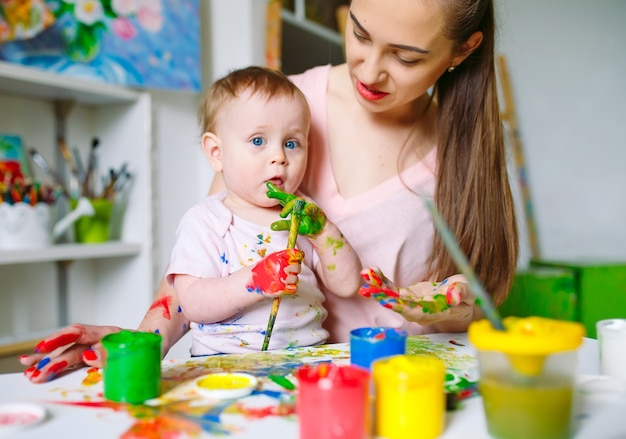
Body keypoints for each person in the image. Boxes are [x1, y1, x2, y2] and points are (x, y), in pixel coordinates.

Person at [21, 0, 518, 383]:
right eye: (360, 33)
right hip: (269, 391)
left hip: (400, 387)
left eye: (406, 56)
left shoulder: (466, 152)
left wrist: (450, 305)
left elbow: (476, 300)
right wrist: (141, 346)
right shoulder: (281, 110)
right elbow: (205, 262)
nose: (369, 71)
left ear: (463, 49)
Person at [166, 65, 361, 355]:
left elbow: (347, 285)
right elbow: (192, 302)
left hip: (306, 358)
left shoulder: (303, 215)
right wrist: (254, 280)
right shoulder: (206, 221)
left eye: (292, 143)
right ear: (216, 153)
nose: (279, 156)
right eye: (258, 141)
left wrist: (324, 232)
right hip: (226, 365)